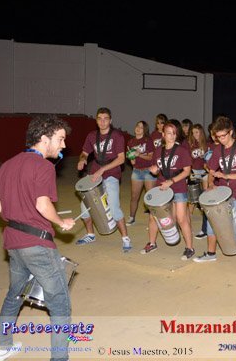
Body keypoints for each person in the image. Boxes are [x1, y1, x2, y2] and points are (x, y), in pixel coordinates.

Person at [0, 114, 75, 361]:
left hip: (13, 242)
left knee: (15, 294)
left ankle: (1, 346)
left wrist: (14, 210)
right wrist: (61, 222)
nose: (64, 145)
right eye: (60, 139)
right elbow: (43, 205)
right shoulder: (43, 166)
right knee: (60, 303)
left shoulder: (9, 164)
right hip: (36, 244)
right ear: (44, 139)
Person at [194, 116, 236, 276]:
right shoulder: (218, 150)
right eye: (218, 137)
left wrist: (227, 176)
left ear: (231, 132)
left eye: (223, 136)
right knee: (212, 222)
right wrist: (210, 184)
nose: (221, 139)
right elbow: (212, 170)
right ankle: (211, 253)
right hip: (222, 194)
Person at [76, 107, 131, 251]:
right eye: (100, 119)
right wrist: (82, 159)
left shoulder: (117, 136)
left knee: (113, 207)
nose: (102, 121)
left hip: (111, 174)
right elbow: (84, 152)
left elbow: (121, 159)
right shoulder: (91, 136)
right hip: (95, 174)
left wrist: (103, 169)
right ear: (96, 120)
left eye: (106, 119)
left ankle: (125, 238)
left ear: (110, 120)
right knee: (85, 208)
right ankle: (90, 235)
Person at [142, 122, 195, 260]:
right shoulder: (158, 151)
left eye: (174, 133)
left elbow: (187, 171)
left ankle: (189, 248)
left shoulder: (182, 151)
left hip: (178, 187)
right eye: (168, 133)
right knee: (153, 217)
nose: (171, 136)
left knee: (181, 219)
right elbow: (156, 168)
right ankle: (152, 243)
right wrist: (153, 170)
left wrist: (171, 181)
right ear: (163, 135)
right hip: (161, 187)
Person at [126, 121, 154, 226]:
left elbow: (151, 157)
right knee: (134, 196)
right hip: (136, 171)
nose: (138, 128)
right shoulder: (130, 142)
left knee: (150, 197)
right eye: (137, 126)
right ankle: (131, 218)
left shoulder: (148, 140)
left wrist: (139, 154)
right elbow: (133, 162)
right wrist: (131, 157)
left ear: (144, 130)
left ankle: (153, 221)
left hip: (148, 171)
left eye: (141, 127)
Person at [188, 123, 209, 238]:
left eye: (197, 132)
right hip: (195, 172)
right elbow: (188, 159)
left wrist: (204, 158)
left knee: (204, 200)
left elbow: (210, 159)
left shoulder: (207, 144)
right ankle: (187, 227)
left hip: (205, 172)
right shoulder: (191, 144)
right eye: (193, 133)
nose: (195, 135)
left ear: (201, 132)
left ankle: (204, 229)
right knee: (192, 200)